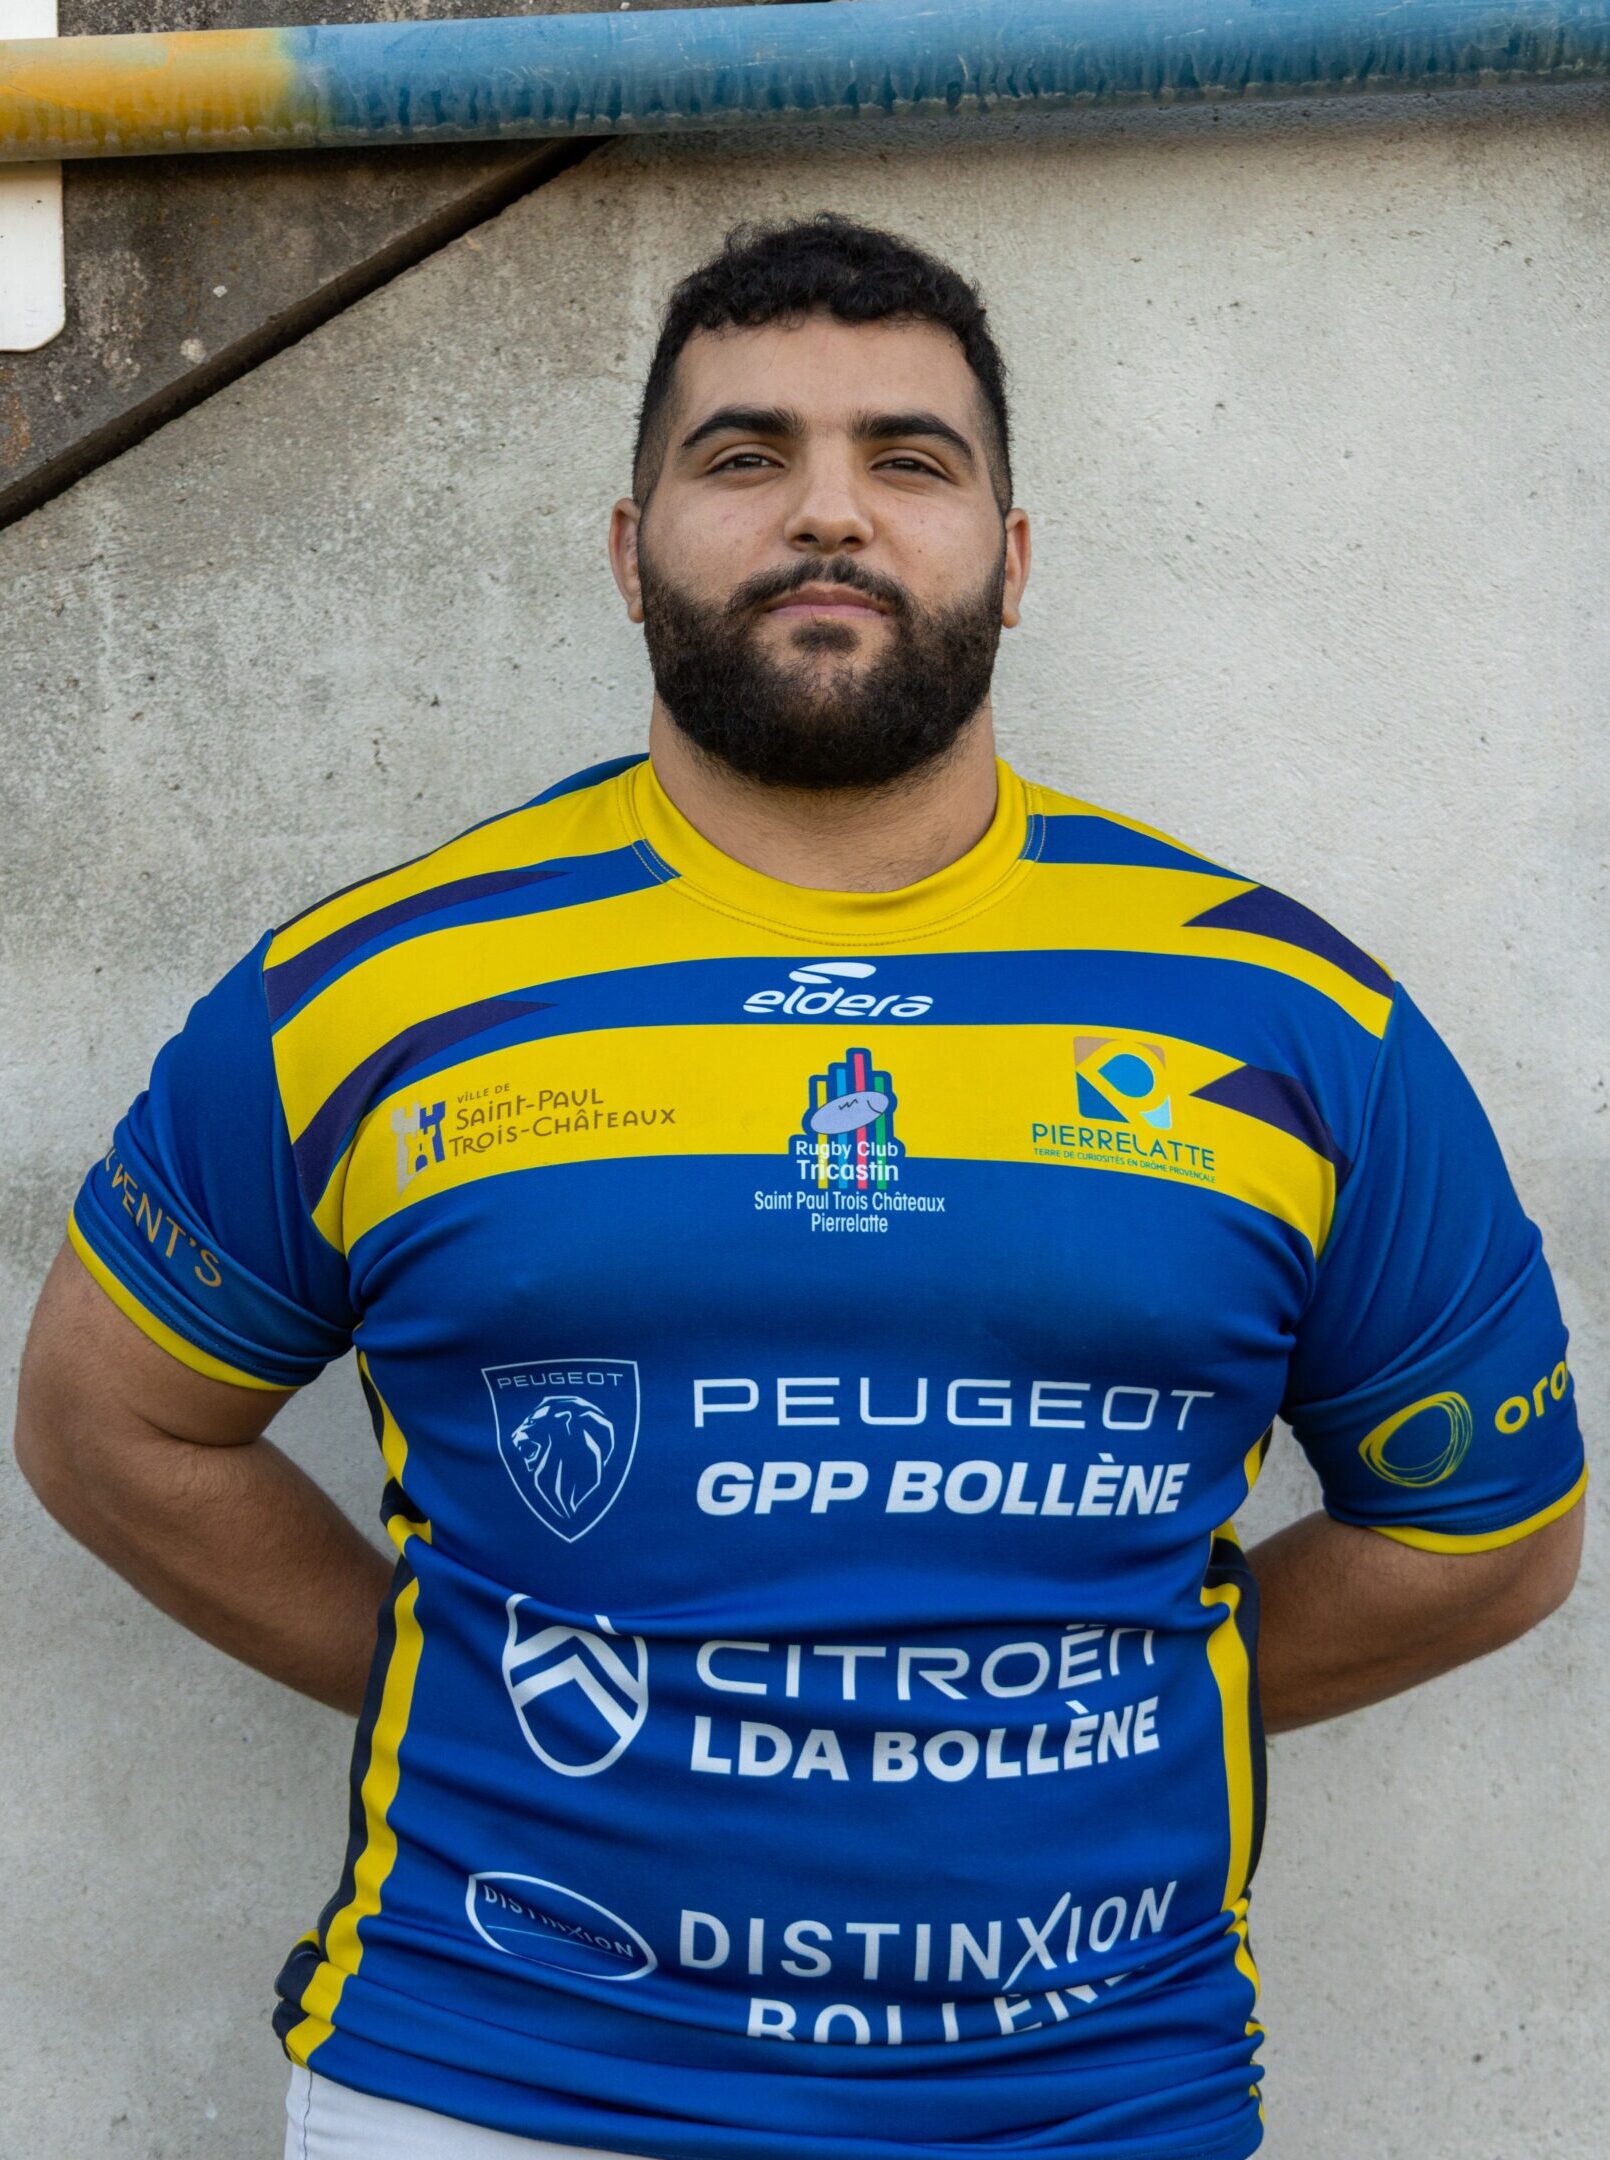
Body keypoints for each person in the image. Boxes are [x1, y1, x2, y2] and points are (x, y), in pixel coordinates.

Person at [15, 213, 1586, 2160]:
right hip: (489, 2091)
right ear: (628, 550)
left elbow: (1488, 1532)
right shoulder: (377, 993)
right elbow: (109, 1425)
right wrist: (494, 1696)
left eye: (906, 460)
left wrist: (1112, 1713)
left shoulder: (1284, 1014)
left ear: (1011, 560)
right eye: (744, 455)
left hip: (1085, 2108)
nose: (826, 512)